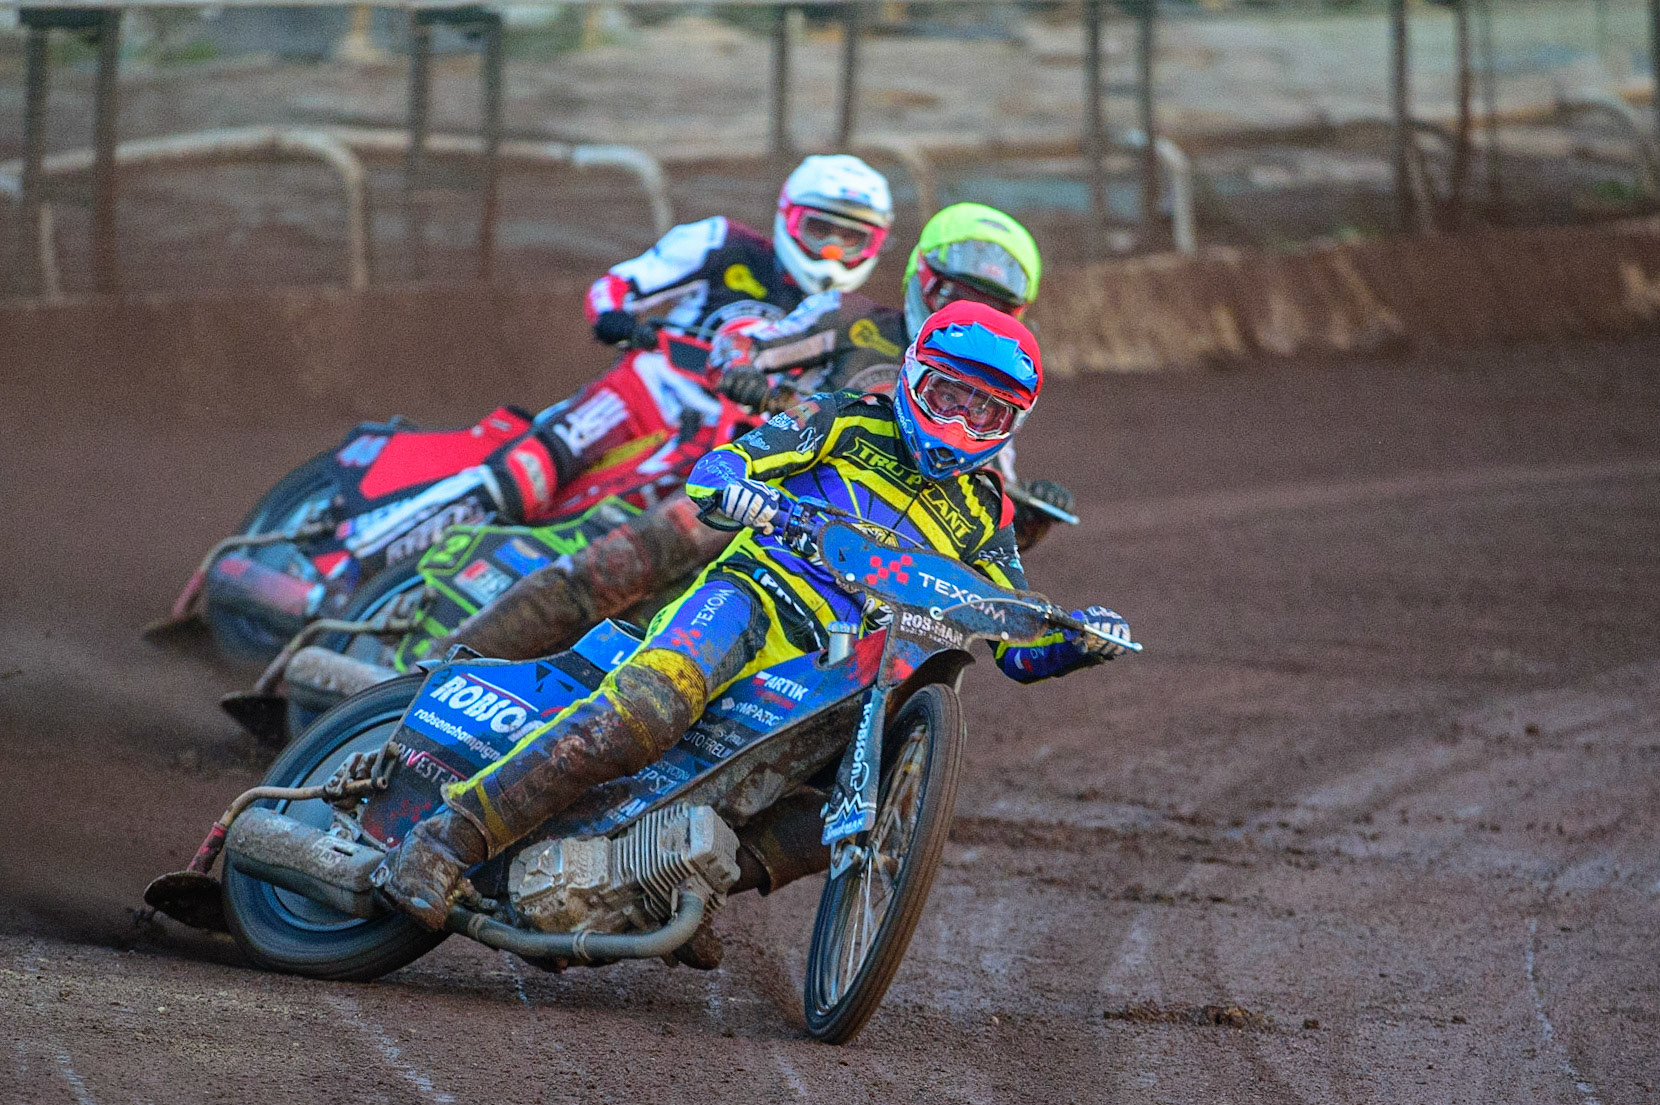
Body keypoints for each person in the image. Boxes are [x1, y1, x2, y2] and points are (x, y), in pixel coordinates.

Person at [376, 303, 1134, 944]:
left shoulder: (985, 511)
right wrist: (747, 494)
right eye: (948, 396)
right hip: (753, 596)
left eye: (988, 410)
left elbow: (1016, 645)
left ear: (1012, 423)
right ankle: (445, 840)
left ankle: (664, 887)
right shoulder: (841, 420)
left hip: (842, 665)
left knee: (841, 814)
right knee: (640, 715)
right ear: (911, 378)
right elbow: (721, 469)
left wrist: (1078, 642)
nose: (963, 422)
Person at [710, 201, 1071, 549]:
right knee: (691, 521)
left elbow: (981, 516)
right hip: (785, 486)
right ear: (923, 279)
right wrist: (741, 369)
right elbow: (739, 342)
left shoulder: (989, 399)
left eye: (993, 311)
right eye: (956, 297)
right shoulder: (848, 317)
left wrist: (1028, 519)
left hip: (886, 544)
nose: (968, 318)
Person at [585, 154, 894, 348]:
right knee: (542, 451)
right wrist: (612, 317)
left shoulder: (856, 323)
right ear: (789, 218)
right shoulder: (720, 244)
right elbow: (616, 285)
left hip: (743, 438)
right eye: (819, 230)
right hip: (656, 396)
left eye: (851, 238)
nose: (831, 251)